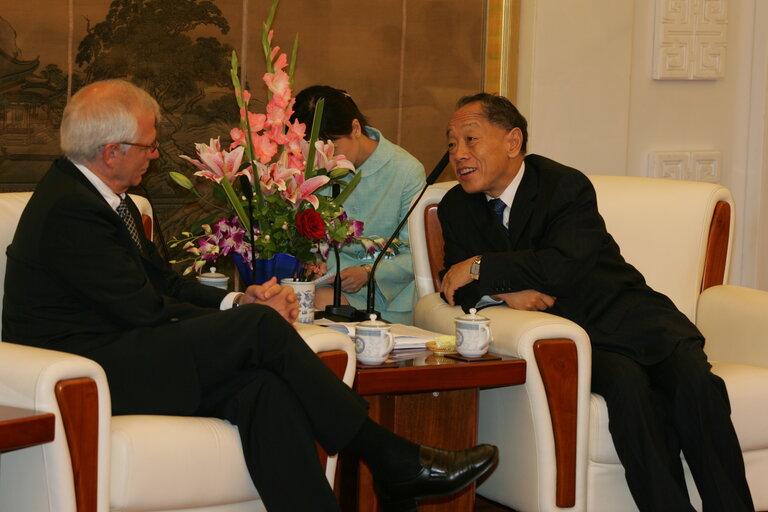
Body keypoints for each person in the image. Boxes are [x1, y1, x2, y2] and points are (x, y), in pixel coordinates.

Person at [1, 79, 498, 512]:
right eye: (148, 147)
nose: (154, 156)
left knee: (262, 389)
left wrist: (237, 303)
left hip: (123, 349)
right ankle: (391, 459)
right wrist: (249, 319)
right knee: (261, 329)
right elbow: (143, 308)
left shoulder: (109, 201)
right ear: (112, 151)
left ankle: (362, 484)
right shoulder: (70, 209)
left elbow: (164, 284)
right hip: (82, 368)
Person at [437, 92, 754, 512]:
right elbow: (454, 285)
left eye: (470, 140)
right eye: (451, 143)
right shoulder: (456, 206)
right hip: (580, 334)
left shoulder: (564, 186)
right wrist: (504, 290)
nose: (459, 154)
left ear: (512, 142)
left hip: (629, 314)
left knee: (695, 383)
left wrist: (480, 264)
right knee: (628, 389)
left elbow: (561, 266)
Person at [292, 85, 425, 324]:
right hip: (330, 289)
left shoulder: (406, 171)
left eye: (332, 144)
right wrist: (313, 261)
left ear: (355, 128)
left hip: (388, 298)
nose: (326, 157)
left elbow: (418, 253)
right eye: (314, 149)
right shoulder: (315, 168)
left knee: (318, 307)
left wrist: (369, 273)